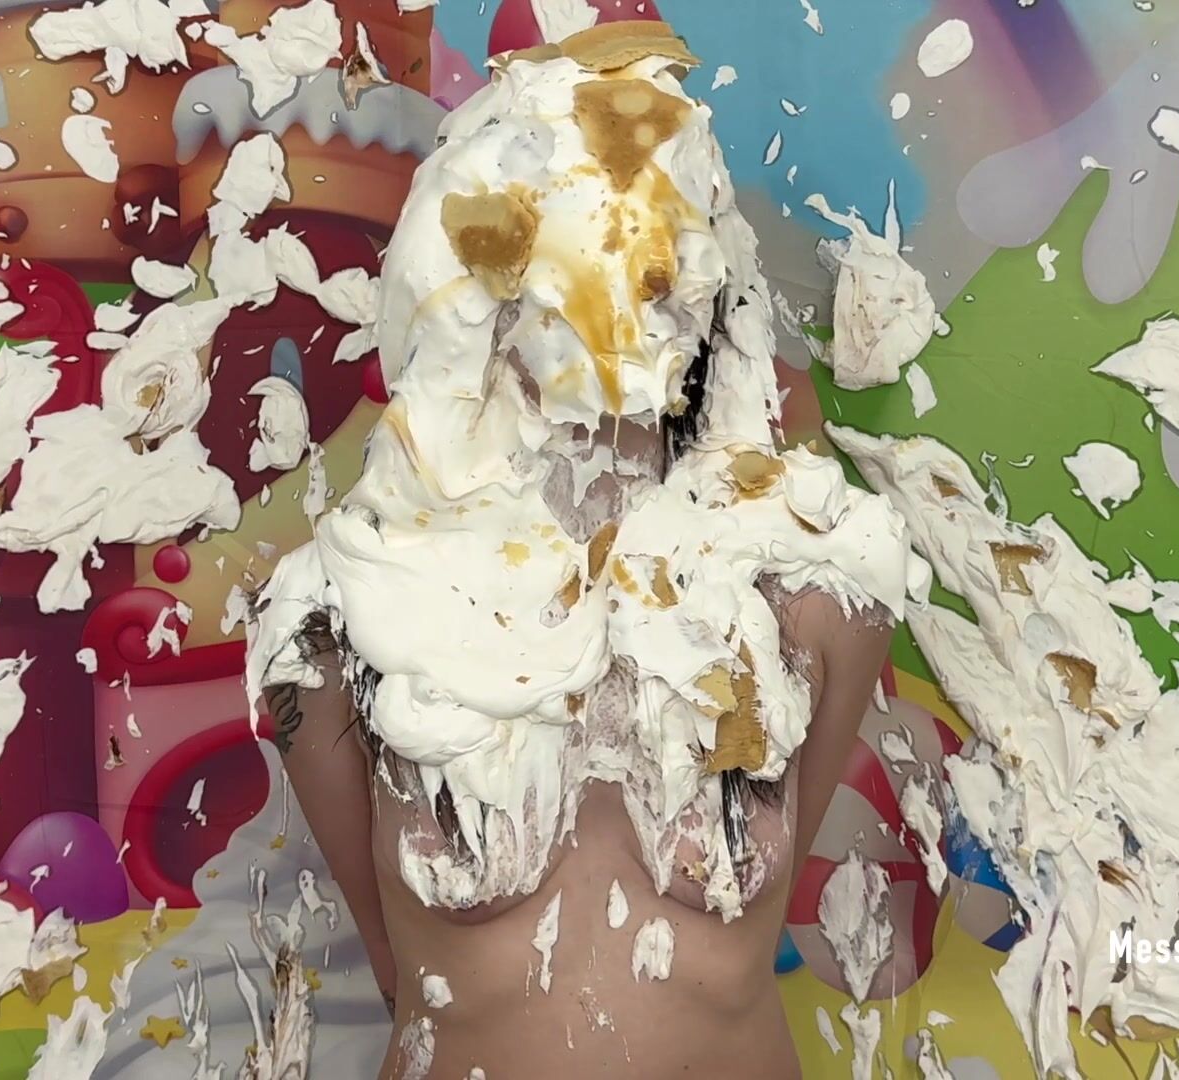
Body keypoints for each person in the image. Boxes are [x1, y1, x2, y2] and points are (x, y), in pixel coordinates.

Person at [244, 22, 922, 1079]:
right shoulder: (330, 619)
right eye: (555, 236)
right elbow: (396, 966)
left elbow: (752, 936)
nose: (611, 284)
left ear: (702, 280)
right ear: (470, 271)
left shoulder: (822, 587)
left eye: (648, 248)